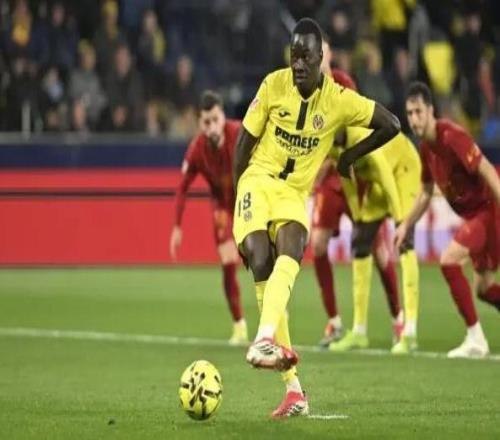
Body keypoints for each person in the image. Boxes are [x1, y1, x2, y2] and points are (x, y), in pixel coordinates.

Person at [233, 18, 400, 418]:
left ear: (322, 57)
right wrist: (238, 200)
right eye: (294, 55)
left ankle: (272, 356)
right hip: (258, 180)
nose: (298, 64)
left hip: (293, 194)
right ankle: (283, 371)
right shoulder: (273, 86)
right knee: (260, 256)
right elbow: (242, 145)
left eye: (306, 56)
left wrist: (349, 156)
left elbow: (391, 124)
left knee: (294, 245)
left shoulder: (339, 99)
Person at [396, 81, 500, 358]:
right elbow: (426, 192)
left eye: (419, 112)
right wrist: (406, 225)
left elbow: (487, 170)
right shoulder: (426, 149)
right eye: (410, 113)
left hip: (488, 212)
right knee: (484, 289)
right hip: (476, 216)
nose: (414, 119)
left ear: (431, 110)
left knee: (449, 259)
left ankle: (476, 339)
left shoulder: (452, 137)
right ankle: (476, 337)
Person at [312, 38, 403, 347]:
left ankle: (398, 318)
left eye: (322, 52)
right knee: (318, 244)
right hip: (331, 178)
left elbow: (353, 131)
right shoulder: (303, 91)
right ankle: (335, 322)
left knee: (378, 252)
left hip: (356, 171)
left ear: (329, 56)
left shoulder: (344, 84)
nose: (317, 58)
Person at [328, 126, 421, 354]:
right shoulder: (331, 144)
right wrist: (357, 215)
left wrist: (400, 221)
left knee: (404, 241)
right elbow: (347, 179)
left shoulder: (363, 141)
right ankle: (359, 332)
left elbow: (386, 177)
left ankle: (409, 332)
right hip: (380, 181)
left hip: (403, 169)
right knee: (360, 240)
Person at [170, 90, 248, 345]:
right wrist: (177, 226)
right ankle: (239, 325)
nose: (212, 126)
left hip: (248, 199)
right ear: (200, 123)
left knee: (259, 257)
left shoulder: (240, 133)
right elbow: (182, 187)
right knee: (228, 261)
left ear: (223, 116)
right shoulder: (197, 149)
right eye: (206, 122)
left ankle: (277, 311)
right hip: (222, 205)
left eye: (216, 119)